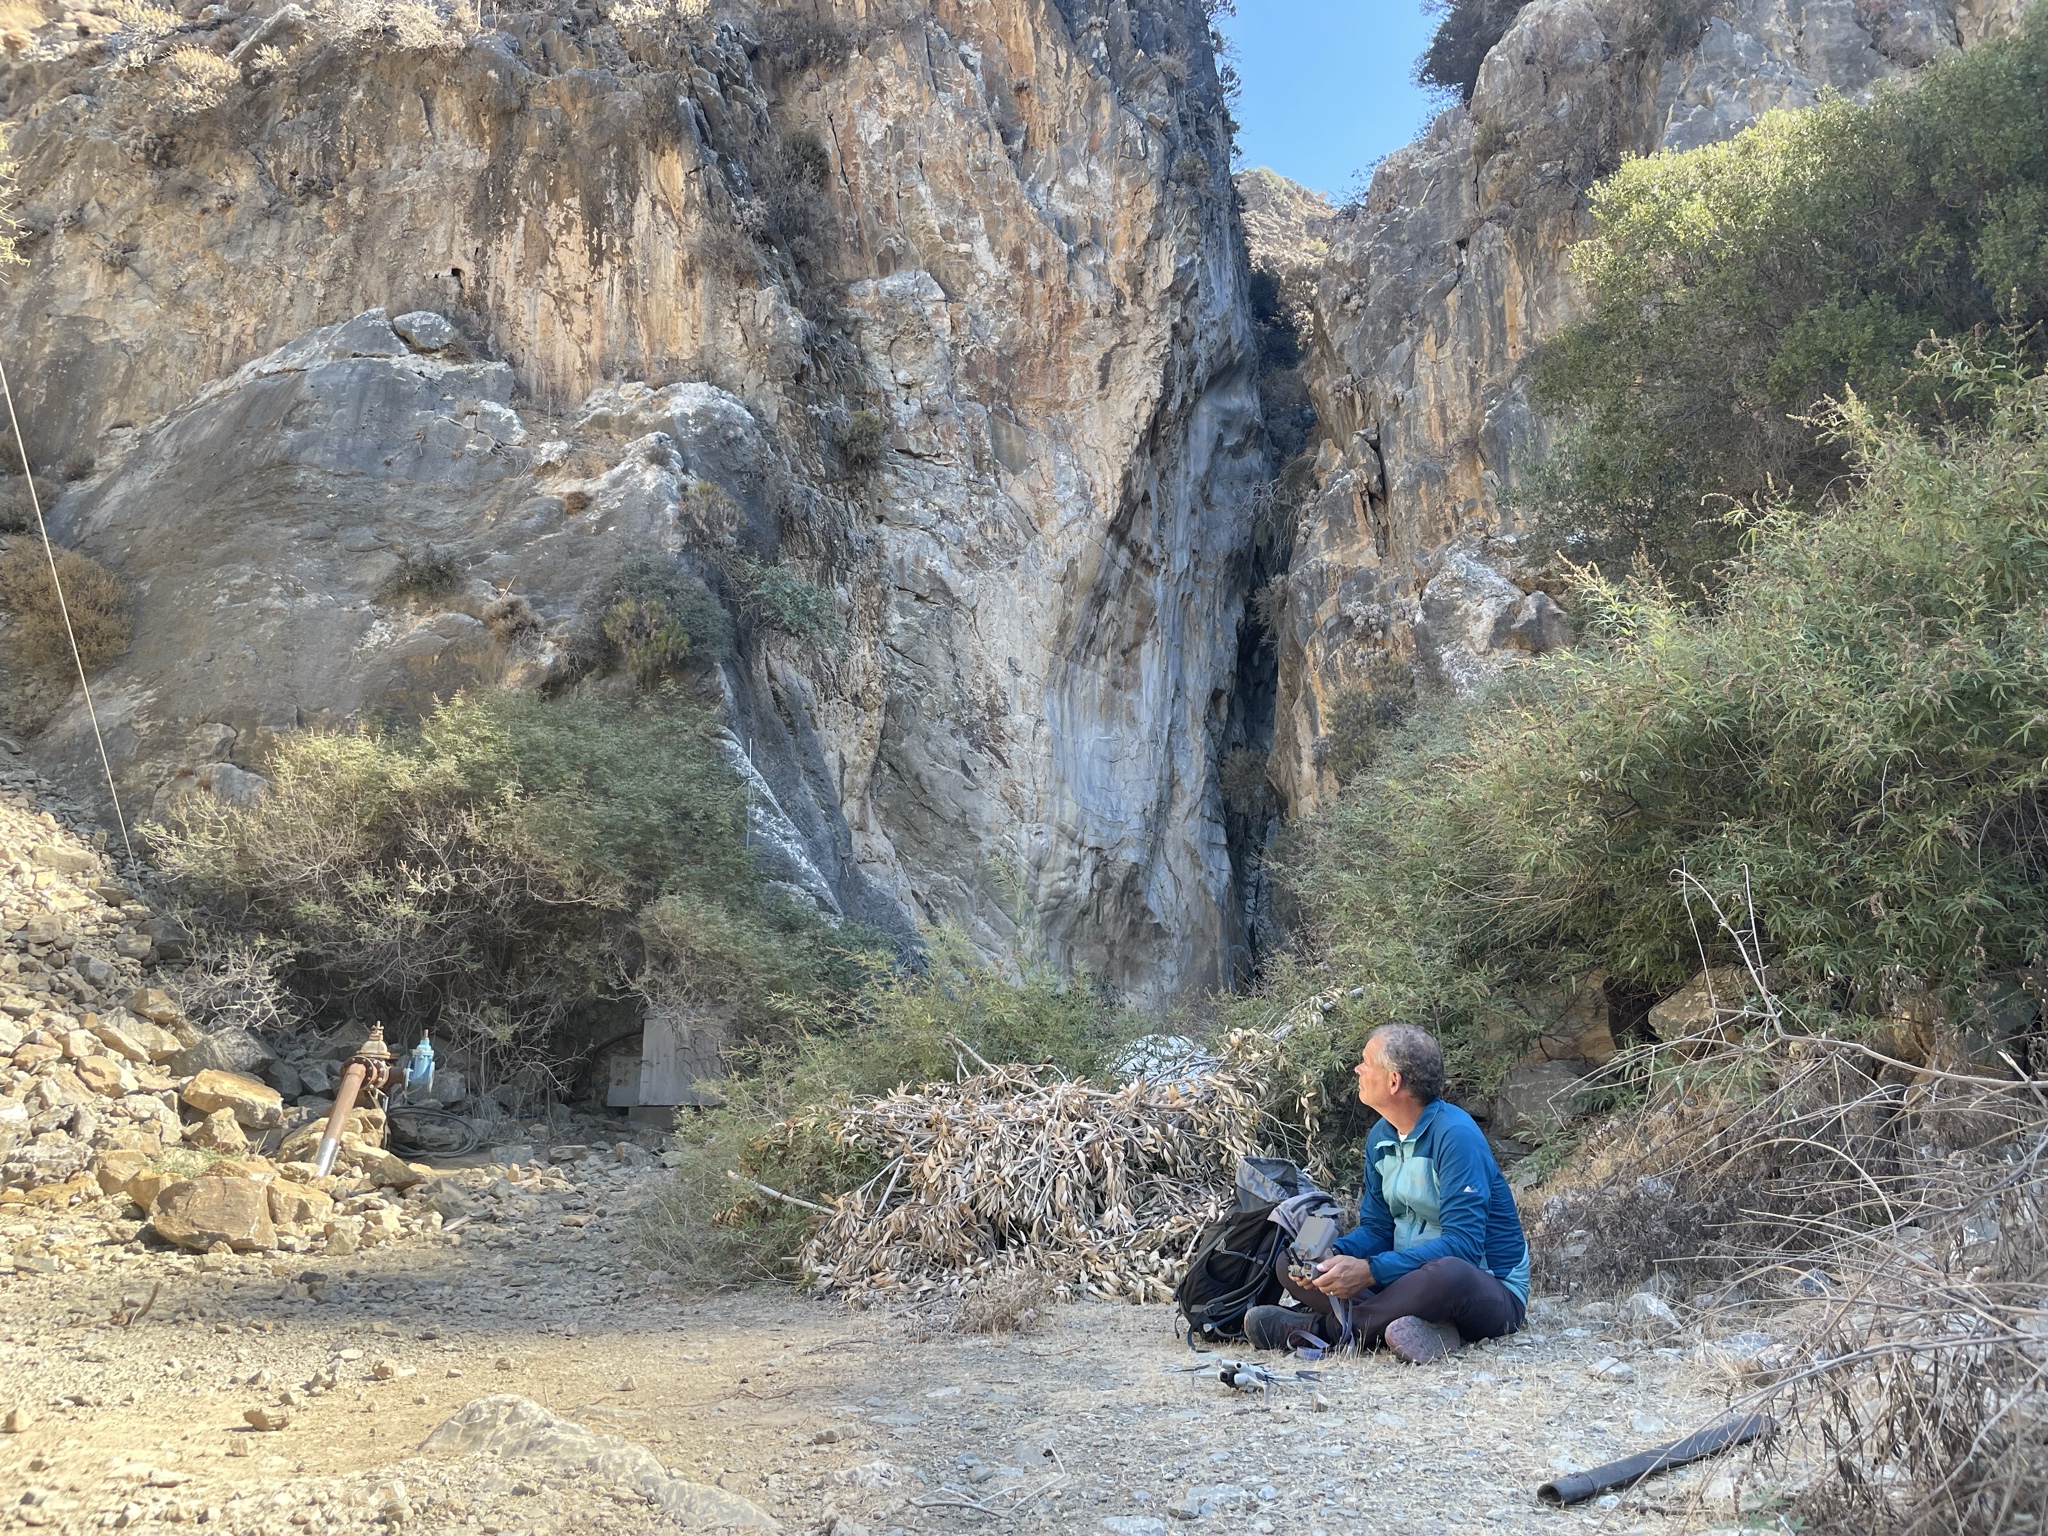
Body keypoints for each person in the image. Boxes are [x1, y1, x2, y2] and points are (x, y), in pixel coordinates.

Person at [1244, 1023, 1530, 1364]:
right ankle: (1416, 1327)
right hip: (1406, 1283)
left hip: (1485, 1288)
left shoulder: (1456, 1136)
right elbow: (1378, 1227)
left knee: (1447, 1274)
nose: (1357, 1069)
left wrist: (1370, 1271)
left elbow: (1464, 1246)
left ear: (1394, 1081)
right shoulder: (1380, 1136)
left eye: (1366, 1062)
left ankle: (1324, 1331)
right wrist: (1330, 1252)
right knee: (1288, 1262)